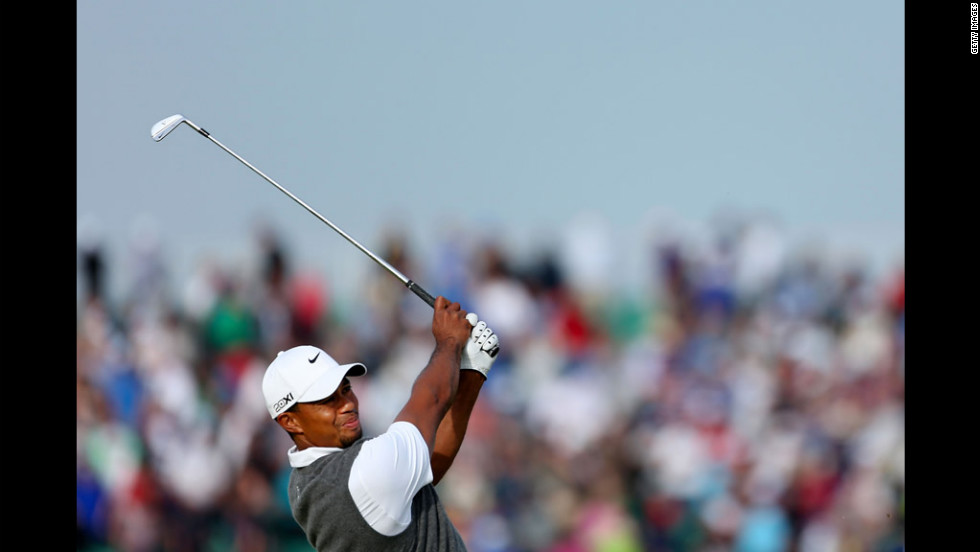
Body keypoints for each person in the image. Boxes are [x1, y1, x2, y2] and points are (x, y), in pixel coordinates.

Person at [262, 296, 500, 551]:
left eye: (346, 389)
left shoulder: (304, 480)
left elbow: (427, 463)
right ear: (290, 421)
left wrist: (474, 370)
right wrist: (449, 341)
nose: (348, 404)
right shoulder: (358, 477)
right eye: (327, 400)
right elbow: (431, 399)